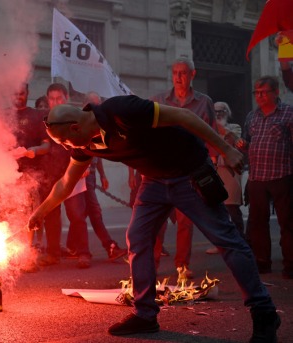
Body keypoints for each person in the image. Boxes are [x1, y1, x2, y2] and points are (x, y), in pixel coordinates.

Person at [28, 95, 280, 341]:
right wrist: (39, 212)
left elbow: (184, 115)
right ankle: (145, 315)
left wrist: (226, 149)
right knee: (137, 238)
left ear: (75, 126)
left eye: (65, 141)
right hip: (153, 182)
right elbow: (66, 183)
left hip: (188, 173)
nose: (66, 147)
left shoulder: (121, 110)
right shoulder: (85, 144)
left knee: (226, 240)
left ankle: (264, 312)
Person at [149, 57, 220, 278]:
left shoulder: (203, 101)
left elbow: (212, 131)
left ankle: (182, 266)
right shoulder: (159, 100)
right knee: (157, 221)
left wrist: (214, 159)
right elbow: (147, 132)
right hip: (162, 169)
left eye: (183, 73)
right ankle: (151, 265)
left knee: (185, 221)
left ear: (192, 75)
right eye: (175, 73)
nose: (178, 78)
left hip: (189, 170)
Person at [238, 76, 293, 279]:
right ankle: (262, 262)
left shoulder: (288, 113)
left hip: (282, 176)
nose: (259, 96)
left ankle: (290, 264)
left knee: (287, 222)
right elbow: (247, 140)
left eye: (264, 92)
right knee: (257, 223)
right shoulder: (252, 117)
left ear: (275, 92)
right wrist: (242, 145)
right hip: (257, 178)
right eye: (257, 93)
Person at [39, 83, 91, 269]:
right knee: (51, 216)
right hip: (50, 174)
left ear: (66, 98)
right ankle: (53, 254)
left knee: (77, 215)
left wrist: (86, 165)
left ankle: (84, 253)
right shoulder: (44, 120)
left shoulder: (75, 118)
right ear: (48, 100)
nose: (55, 102)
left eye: (59, 98)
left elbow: (87, 142)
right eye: (52, 99)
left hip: (73, 173)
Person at [77, 92, 127, 261]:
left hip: (90, 176)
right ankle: (105, 247)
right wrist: (80, 169)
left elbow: (97, 156)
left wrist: (103, 175)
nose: (97, 108)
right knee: (90, 213)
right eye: (93, 104)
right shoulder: (79, 124)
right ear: (86, 106)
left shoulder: (99, 125)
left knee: (89, 212)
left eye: (99, 104)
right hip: (79, 176)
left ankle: (103, 247)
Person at [12, 83, 50, 270]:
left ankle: (27, 255)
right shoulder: (3, 117)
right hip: (6, 173)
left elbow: (46, 146)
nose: (18, 96)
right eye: (15, 92)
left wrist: (34, 151)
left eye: (22, 92)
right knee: (9, 214)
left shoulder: (36, 116)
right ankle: (12, 254)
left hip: (30, 173)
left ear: (28, 93)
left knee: (28, 213)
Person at [205, 101, 244, 254]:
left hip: (230, 172)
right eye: (215, 111)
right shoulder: (210, 128)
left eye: (222, 110)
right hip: (215, 171)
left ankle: (239, 240)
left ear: (228, 112)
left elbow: (231, 140)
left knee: (232, 209)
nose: (219, 113)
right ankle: (221, 243)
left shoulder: (234, 128)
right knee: (217, 210)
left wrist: (214, 124)